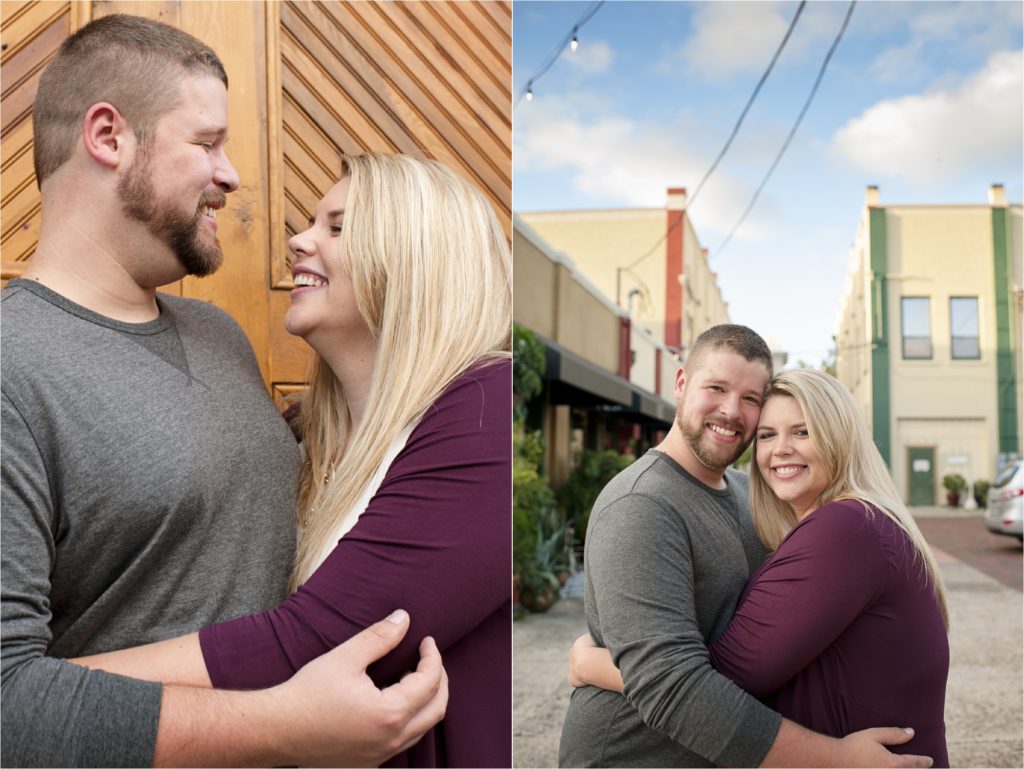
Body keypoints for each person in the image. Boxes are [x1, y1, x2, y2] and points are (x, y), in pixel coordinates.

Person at [1, 15, 445, 768]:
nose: (234, 174)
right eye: (206, 143)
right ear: (109, 137)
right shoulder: (14, 364)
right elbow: (8, 703)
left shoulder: (220, 335)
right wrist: (282, 725)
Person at [69, 152, 513, 768]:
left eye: (336, 226)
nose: (297, 242)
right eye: (309, 223)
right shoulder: (302, 439)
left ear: (415, 258)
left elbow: (314, 641)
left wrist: (47, 697)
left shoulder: (488, 409)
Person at [557, 324, 933, 768]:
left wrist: (594, 664)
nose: (732, 411)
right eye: (716, 388)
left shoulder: (752, 494)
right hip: (633, 755)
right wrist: (834, 758)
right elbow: (670, 684)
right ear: (681, 384)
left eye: (751, 399)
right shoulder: (641, 505)